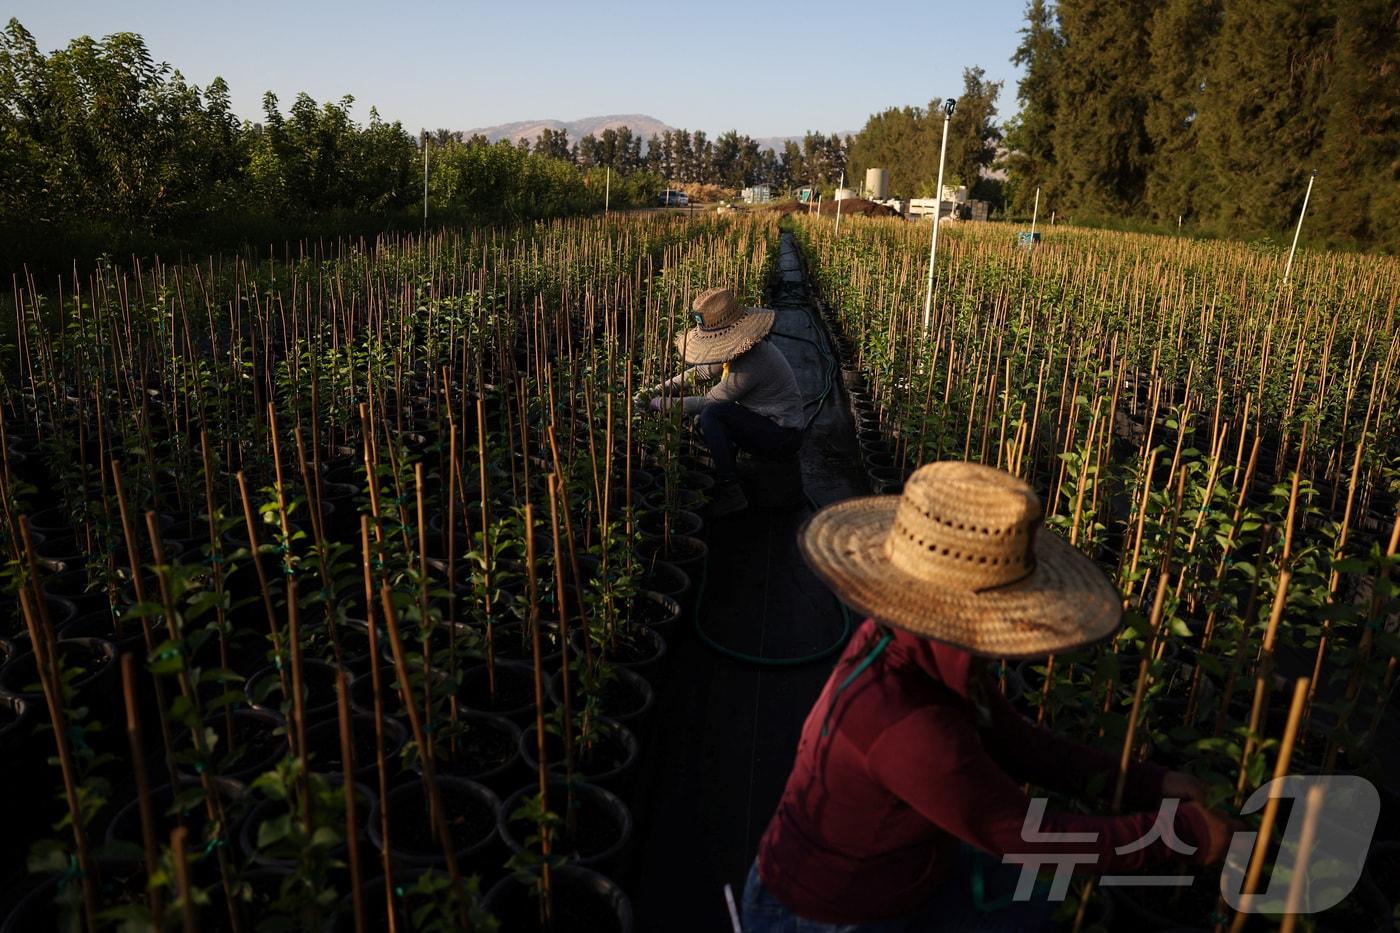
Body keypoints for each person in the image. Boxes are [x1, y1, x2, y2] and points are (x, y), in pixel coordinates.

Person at [743, 461, 1241, 932]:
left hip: (910, 866)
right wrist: (1177, 834)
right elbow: (1028, 837)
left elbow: (1013, 740)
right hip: (830, 914)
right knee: (1035, 905)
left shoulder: (910, 645)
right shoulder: (910, 725)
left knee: (1036, 908)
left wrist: (1147, 783)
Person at [643, 287, 805, 517]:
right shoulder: (737, 349)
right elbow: (698, 373)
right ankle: (726, 465)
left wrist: (658, 404)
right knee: (708, 419)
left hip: (783, 435)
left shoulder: (752, 361)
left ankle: (731, 489)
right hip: (762, 422)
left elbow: (709, 401)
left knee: (711, 415)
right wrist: (657, 390)